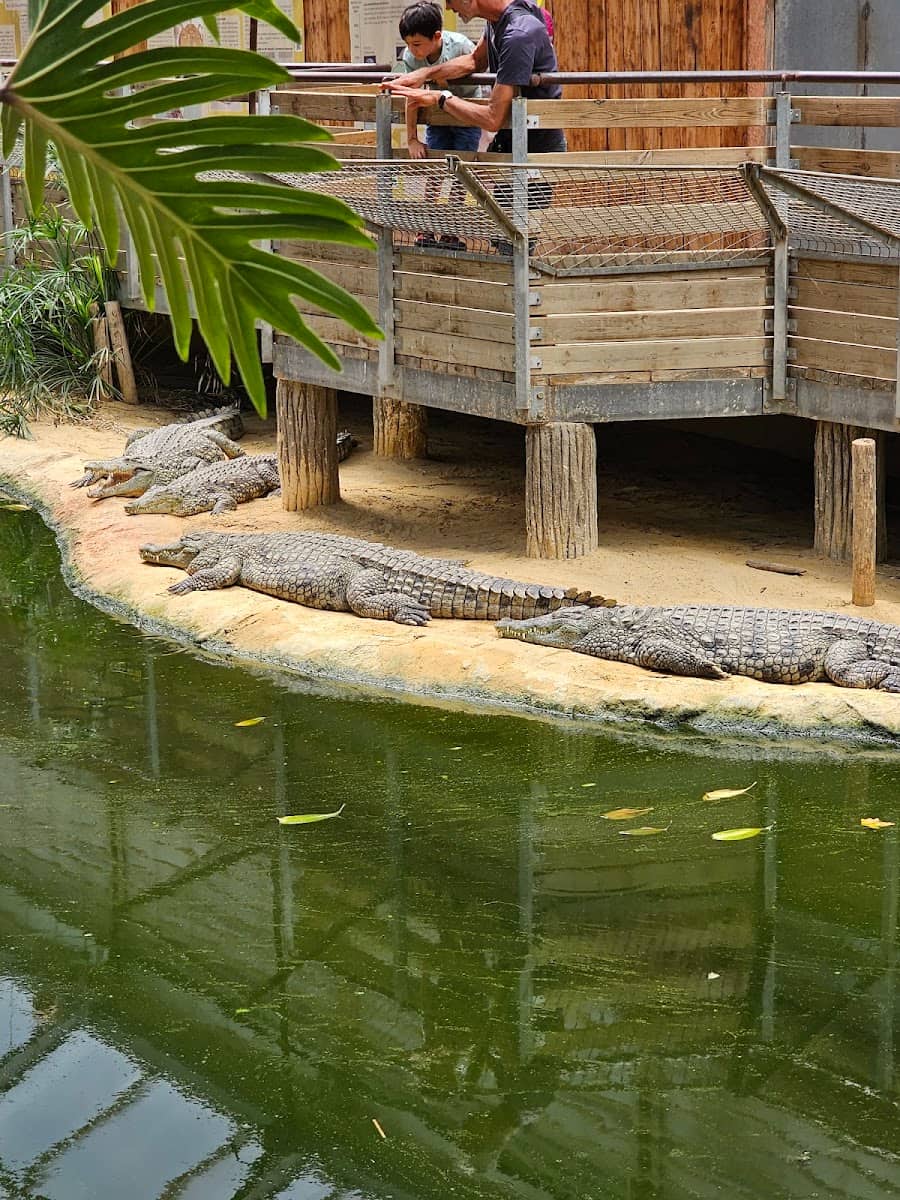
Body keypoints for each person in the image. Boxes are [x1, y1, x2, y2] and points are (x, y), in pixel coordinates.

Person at [384, 0, 566, 156]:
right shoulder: (498, 19)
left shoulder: (517, 34)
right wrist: (424, 73)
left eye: (449, 0)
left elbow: (492, 119)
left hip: (534, 147)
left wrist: (440, 98)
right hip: (510, 139)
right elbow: (474, 61)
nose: (448, 8)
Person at [396, 3, 484, 161]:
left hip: (467, 112)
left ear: (437, 36)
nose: (411, 49)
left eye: (416, 44)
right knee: (436, 166)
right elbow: (412, 97)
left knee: (463, 166)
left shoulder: (461, 47)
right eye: (407, 44)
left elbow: (479, 67)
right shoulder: (410, 56)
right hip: (437, 113)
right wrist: (412, 139)